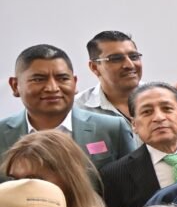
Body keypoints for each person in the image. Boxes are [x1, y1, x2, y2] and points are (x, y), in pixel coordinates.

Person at [1, 44, 135, 169]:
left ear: (75, 83)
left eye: (63, 78)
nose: (52, 88)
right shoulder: (2, 133)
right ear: (15, 85)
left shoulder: (112, 128)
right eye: (38, 79)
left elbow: (133, 181)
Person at [76, 30, 177, 141]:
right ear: (94, 67)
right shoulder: (77, 111)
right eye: (116, 59)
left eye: (134, 57)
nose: (129, 65)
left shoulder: (170, 100)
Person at [100, 83, 177, 207]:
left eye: (167, 108)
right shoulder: (116, 175)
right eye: (147, 112)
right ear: (134, 124)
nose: (159, 118)